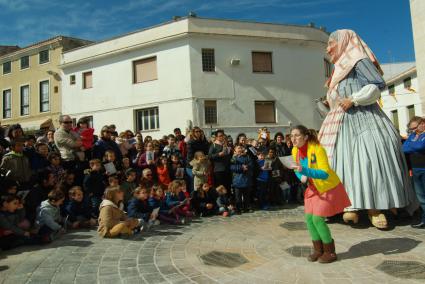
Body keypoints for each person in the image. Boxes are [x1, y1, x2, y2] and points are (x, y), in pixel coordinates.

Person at [319, 29, 414, 229]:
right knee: (340, 161)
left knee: (368, 156)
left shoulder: (357, 60)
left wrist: (354, 99)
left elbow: (377, 84)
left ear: (344, 41)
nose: (328, 49)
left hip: (364, 117)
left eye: (330, 43)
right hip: (340, 122)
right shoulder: (337, 69)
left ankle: (375, 207)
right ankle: (345, 205)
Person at [291, 125, 351, 263]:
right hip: (312, 188)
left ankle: (330, 252)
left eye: (297, 135)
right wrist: (301, 176)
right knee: (309, 220)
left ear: (305, 137)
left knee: (318, 219)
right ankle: (318, 250)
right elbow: (296, 168)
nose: (293, 138)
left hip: (327, 187)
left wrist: (305, 171)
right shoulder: (295, 150)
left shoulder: (318, 149)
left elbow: (324, 173)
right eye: (291, 135)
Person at [402, 117, 425, 229]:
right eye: (411, 129)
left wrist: (413, 145)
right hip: (416, 170)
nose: (413, 131)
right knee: (421, 198)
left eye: (415, 128)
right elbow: (404, 148)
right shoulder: (412, 136)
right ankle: (424, 220)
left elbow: (421, 146)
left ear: (423, 124)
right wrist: (415, 146)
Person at [230, 145, 254, 214]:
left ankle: (246, 207)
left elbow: (251, 164)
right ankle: (238, 208)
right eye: (238, 148)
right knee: (238, 196)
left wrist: (247, 167)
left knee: (246, 195)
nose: (240, 149)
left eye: (241, 148)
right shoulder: (234, 158)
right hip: (237, 179)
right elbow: (232, 167)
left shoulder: (247, 156)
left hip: (246, 179)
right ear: (235, 150)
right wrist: (241, 168)